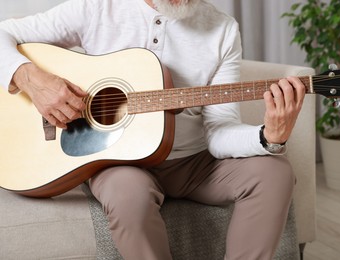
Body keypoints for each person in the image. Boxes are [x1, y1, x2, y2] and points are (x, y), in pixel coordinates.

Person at [0, 0, 305, 259]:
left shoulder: (222, 29)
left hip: (194, 164)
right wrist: (32, 80)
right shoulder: (97, 7)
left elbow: (218, 130)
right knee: (127, 195)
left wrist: (269, 136)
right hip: (117, 162)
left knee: (275, 172)